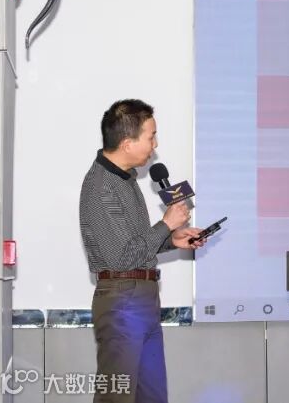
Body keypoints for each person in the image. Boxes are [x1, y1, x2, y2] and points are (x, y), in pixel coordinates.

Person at [78, 99, 205, 403]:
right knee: (117, 396)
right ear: (127, 143)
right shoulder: (101, 187)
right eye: (151, 136)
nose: (155, 145)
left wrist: (172, 239)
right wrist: (166, 223)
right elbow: (121, 258)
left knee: (152, 395)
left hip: (142, 296)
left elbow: (135, 244)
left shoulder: (125, 179)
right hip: (122, 299)